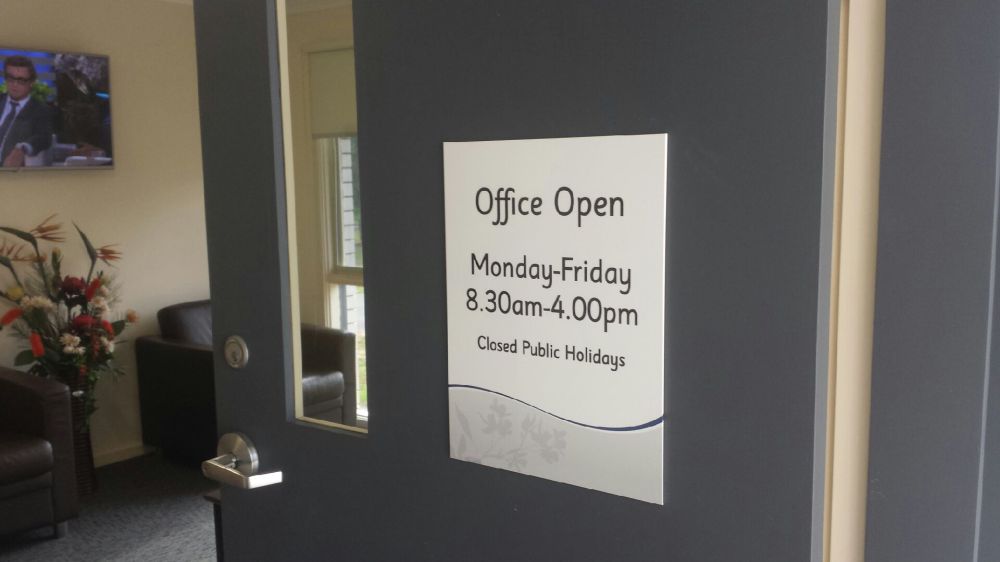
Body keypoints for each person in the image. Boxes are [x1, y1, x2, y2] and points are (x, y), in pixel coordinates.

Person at [0, 56, 53, 168]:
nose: (15, 84)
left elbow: (44, 137)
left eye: (21, 80)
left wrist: (23, 148)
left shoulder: (40, 110)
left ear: (31, 82)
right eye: (11, 78)